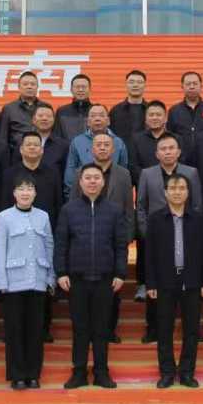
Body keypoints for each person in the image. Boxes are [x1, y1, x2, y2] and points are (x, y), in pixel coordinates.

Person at [56, 163, 129, 389]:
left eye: (96, 177)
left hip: (105, 279)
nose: (92, 181)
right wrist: (61, 272)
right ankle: (78, 372)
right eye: (87, 177)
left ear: (103, 181)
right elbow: (61, 243)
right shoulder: (69, 210)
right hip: (76, 279)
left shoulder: (114, 210)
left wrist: (120, 273)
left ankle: (101, 372)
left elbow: (120, 245)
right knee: (80, 328)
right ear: (80, 182)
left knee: (101, 328)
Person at [144, 173, 203, 389]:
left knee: (191, 330)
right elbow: (149, 254)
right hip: (164, 281)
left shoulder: (198, 219)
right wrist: (151, 283)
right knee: (164, 329)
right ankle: (166, 372)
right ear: (165, 193)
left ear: (188, 192)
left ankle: (187, 372)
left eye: (181, 188)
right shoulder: (155, 219)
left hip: (192, 280)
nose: (177, 192)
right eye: (172, 188)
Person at [135, 133, 201, 344]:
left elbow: (197, 204)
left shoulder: (191, 173)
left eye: (171, 148)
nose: (167, 152)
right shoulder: (147, 174)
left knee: (188, 287)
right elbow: (141, 206)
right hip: (157, 239)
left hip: (186, 237)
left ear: (179, 151)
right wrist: (147, 233)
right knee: (156, 285)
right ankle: (153, 329)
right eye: (163, 149)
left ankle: (193, 329)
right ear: (157, 153)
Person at [0, 179, 54, 390]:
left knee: (35, 331)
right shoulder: (4, 217)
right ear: (14, 193)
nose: (25, 193)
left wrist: (50, 277)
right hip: (13, 283)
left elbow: (49, 246)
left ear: (35, 193)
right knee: (15, 331)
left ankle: (33, 374)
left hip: (38, 280)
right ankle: (17, 375)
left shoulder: (43, 216)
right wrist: (1, 281)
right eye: (21, 189)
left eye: (29, 189)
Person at [64, 104, 130, 195]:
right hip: (83, 196)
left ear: (108, 121)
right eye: (93, 116)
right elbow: (70, 174)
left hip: (112, 196)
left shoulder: (118, 142)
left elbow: (123, 172)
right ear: (87, 122)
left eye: (101, 115)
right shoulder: (77, 142)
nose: (97, 119)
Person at [167, 71, 203, 143]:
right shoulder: (174, 111)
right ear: (182, 87)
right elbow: (170, 136)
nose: (192, 87)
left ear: (201, 86)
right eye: (188, 84)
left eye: (195, 83)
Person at [0, 71, 42, 147]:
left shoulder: (45, 107)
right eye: (25, 84)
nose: (29, 87)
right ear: (19, 87)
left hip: (41, 151)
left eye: (33, 84)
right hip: (16, 151)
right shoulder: (9, 109)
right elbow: (3, 137)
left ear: (37, 87)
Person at [109, 69, 149, 141]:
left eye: (139, 82)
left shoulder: (151, 110)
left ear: (145, 85)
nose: (135, 85)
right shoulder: (115, 111)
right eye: (131, 82)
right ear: (126, 85)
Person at [56, 72, 94, 141]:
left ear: (90, 89)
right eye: (77, 87)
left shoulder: (96, 111)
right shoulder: (62, 111)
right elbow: (57, 136)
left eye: (84, 87)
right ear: (71, 90)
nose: (80, 90)